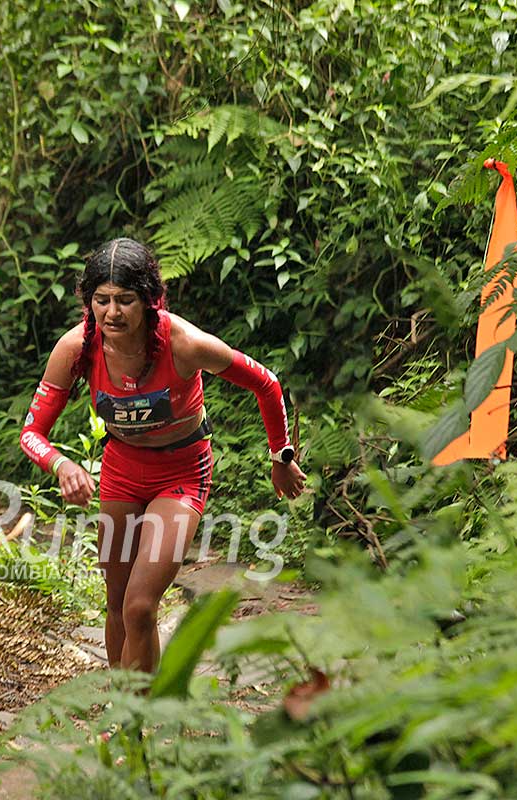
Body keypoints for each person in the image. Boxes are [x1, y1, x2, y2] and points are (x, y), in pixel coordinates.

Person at [20, 237, 307, 672]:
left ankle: (144, 716)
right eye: (102, 300)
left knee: (139, 605)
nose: (112, 313)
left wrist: (280, 456)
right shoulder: (77, 348)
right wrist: (61, 464)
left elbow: (265, 384)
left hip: (181, 472)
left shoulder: (185, 343)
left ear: (150, 301)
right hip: (121, 470)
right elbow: (32, 432)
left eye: (125, 301)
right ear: (88, 302)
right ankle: (124, 714)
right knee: (116, 601)